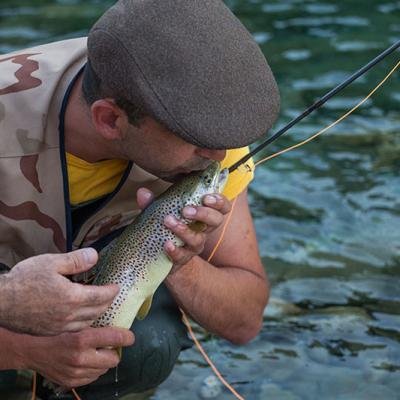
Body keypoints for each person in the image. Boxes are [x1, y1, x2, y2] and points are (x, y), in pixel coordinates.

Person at [0, 0, 280, 398]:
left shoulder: (210, 134)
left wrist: (176, 260)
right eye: (199, 142)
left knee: (148, 345)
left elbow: (244, 321)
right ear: (110, 120)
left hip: (94, 314)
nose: (220, 157)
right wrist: (20, 339)